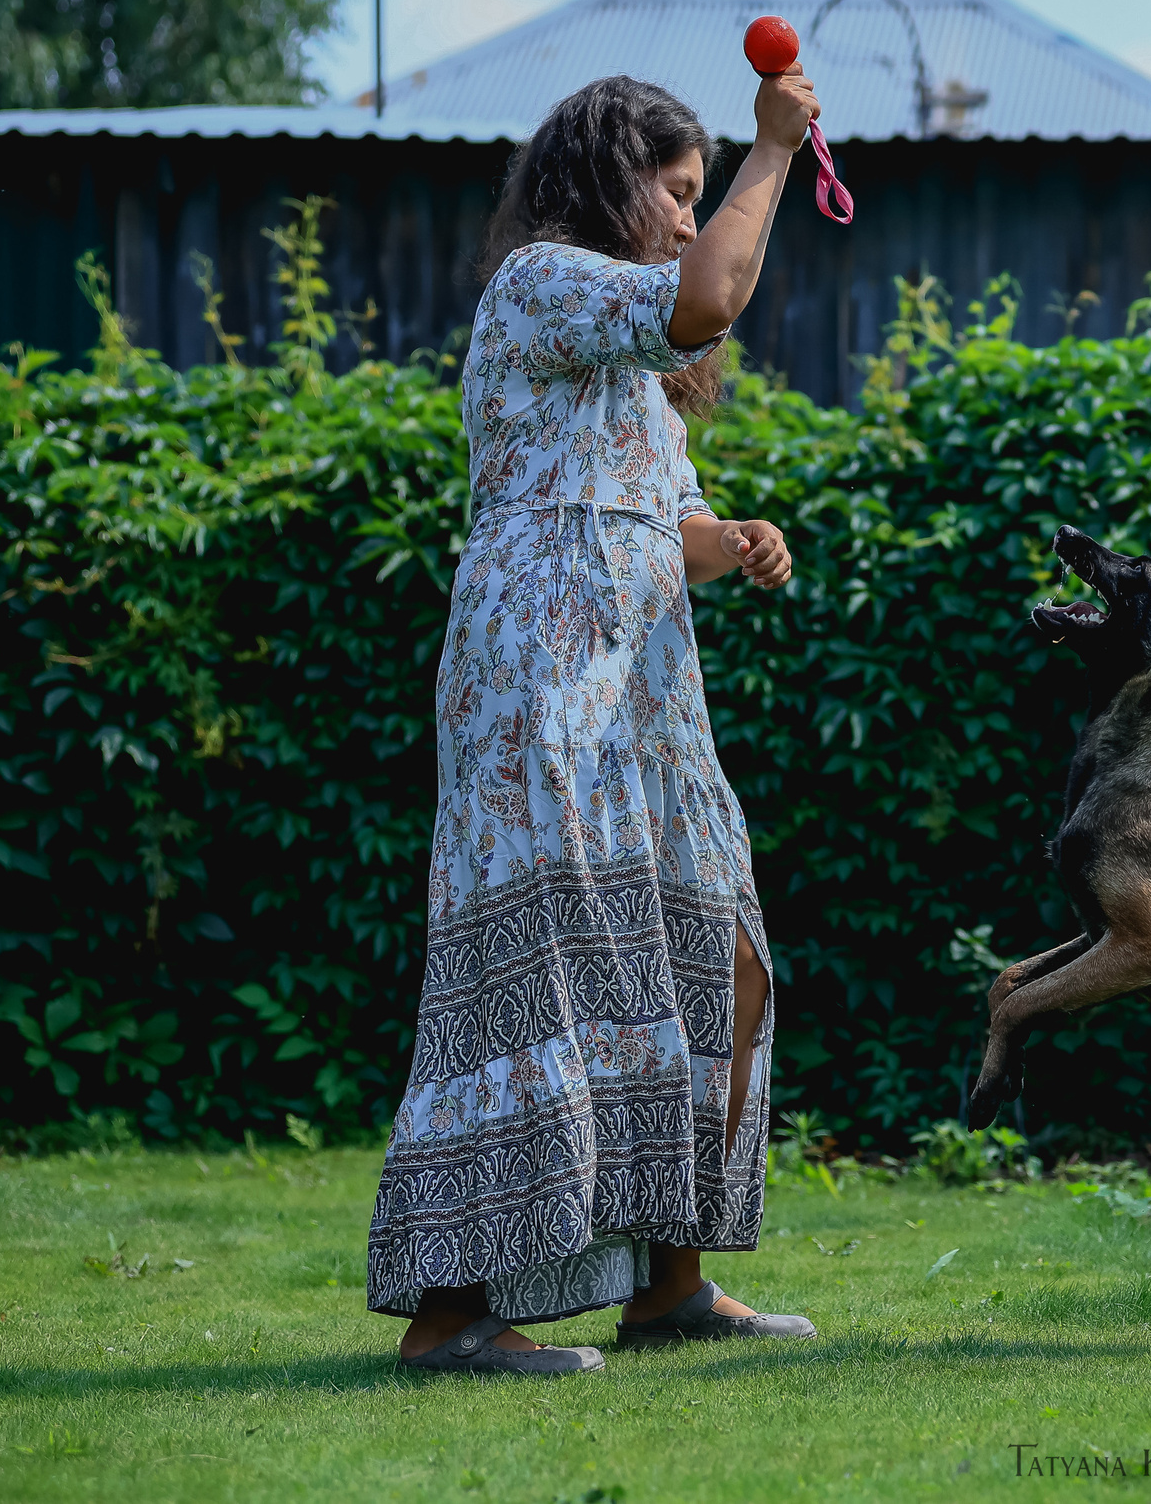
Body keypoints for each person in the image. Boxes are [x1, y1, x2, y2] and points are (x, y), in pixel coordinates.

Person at [365, 67, 820, 1373]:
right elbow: (710, 297)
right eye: (675, 192)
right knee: (545, 961)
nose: (689, 218)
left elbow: (653, 526)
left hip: (643, 686)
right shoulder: (544, 281)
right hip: (538, 672)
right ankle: (453, 1318)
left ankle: (668, 1286)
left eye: (701, 195)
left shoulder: (631, 378)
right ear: (607, 181)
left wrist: (725, 543)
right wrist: (771, 153)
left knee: (712, 945)